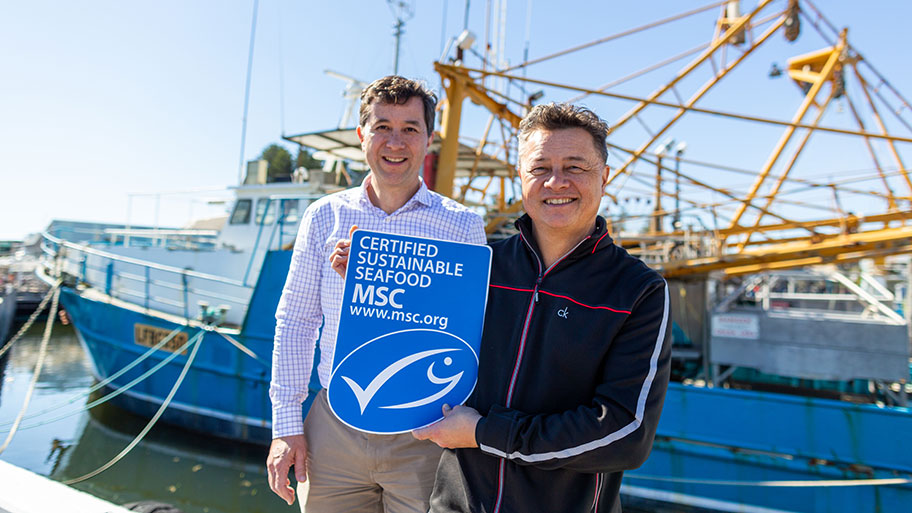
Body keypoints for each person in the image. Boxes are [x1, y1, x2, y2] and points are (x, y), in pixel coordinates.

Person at [412, 103, 672, 513]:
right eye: (540, 168)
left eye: (575, 167)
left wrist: (485, 433)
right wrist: (360, 276)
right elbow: (411, 342)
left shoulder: (637, 291)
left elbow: (625, 432)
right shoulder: (480, 268)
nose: (556, 182)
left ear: (605, 177)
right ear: (521, 178)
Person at [266, 75, 487, 513]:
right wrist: (285, 425)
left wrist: (377, 276)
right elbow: (296, 320)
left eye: (410, 128)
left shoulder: (463, 226)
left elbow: (464, 330)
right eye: (382, 126)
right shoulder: (324, 216)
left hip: (424, 428)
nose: (395, 141)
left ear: (428, 138)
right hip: (335, 425)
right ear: (362, 134)